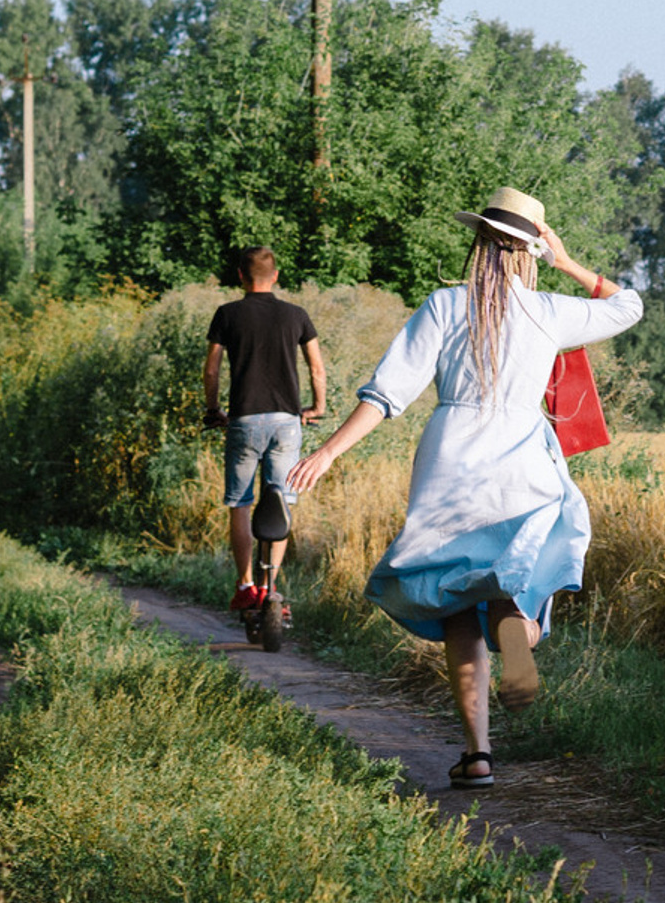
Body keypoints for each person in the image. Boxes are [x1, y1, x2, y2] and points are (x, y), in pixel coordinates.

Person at [287, 187, 639, 786]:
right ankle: (519, 635)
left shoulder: (446, 307)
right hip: (522, 460)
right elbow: (627, 306)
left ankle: (478, 755)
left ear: (478, 244)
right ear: (529, 251)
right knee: (510, 583)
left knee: (453, 604)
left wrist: (326, 451)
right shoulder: (549, 311)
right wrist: (567, 261)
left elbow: (387, 393)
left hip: (451, 459)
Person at [203, 248, 325, 624]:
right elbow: (316, 369)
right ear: (275, 276)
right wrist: (316, 408)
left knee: (240, 502)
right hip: (287, 421)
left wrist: (213, 410)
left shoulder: (227, 314)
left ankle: (245, 588)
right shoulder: (296, 315)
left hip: (244, 420)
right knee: (281, 500)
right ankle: (272, 589)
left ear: (241, 275)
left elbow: (211, 370)